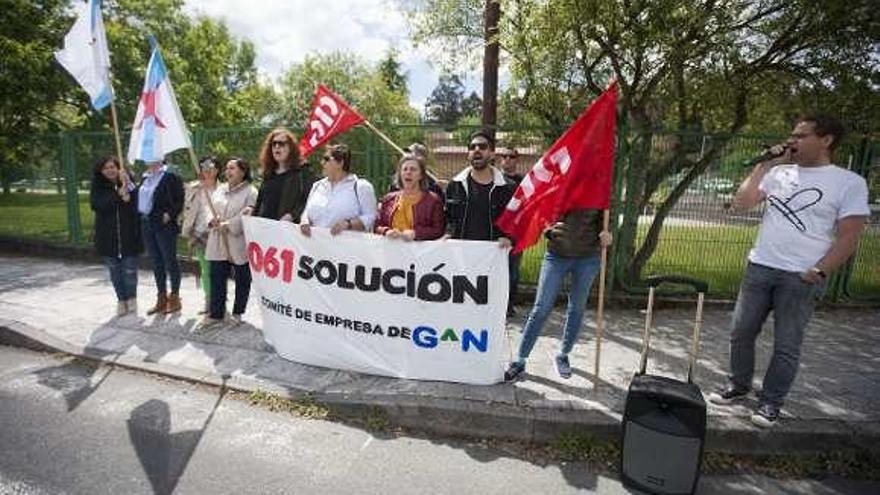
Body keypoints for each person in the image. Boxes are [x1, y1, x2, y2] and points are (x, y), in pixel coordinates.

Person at [708, 115, 870, 428]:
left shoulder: (848, 182)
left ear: (826, 140)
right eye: (792, 135)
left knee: (786, 343)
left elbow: (850, 235)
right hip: (760, 266)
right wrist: (764, 166)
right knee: (740, 332)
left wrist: (821, 270)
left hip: (800, 276)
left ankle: (770, 402)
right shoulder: (779, 173)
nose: (792, 141)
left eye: (801, 135)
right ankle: (738, 385)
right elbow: (742, 203)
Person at [504, 209, 613, 381]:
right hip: (556, 256)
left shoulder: (599, 186)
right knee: (541, 308)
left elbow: (606, 218)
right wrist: (548, 230)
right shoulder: (560, 184)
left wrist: (606, 233)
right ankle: (520, 360)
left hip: (588, 259)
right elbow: (544, 211)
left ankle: (563, 355)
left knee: (576, 308)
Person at [198, 158, 259, 331]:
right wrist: (211, 220)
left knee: (242, 278)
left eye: (232, 168)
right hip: (217, 239)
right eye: (227, 168)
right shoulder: (220, 189)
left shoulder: (251, 191)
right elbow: (208, 207)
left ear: (243, 171)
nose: (228, 171)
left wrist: (229, 224)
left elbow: (248, 213)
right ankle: (216, 314)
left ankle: (238, 313)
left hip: (237, 241)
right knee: (216, 276)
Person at [90, 156, 142, 316]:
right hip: (108, 237)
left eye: (112, 167)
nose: (110, 170)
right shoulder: (98, 187)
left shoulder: (127, 182)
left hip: (128, 236)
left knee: (130, 271)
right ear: (101, 171)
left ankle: (132, 298)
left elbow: (139, 201)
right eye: (106, 168)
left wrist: (129, 189)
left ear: (118, 168)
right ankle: (121, 300)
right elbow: (98, 205)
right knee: (115, 272)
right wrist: (117, 195)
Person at [445, 131, 516, 246]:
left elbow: (515, 221)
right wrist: (448, 233)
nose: (477, 150)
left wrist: (509, 238)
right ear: (468, 154)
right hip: (460, 255)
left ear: (492, 154)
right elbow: (447, 218)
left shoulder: (508, 188)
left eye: (482, 147)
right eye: (472, 147)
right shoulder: (454, 185)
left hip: (493, 256)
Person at [138, 158, 185, 315]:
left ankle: (175, 297)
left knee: (169, 260)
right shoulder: (145, 177)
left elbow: (179, 199)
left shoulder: (170, 175)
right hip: (147, 223)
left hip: (164, 224)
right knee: (156, 262)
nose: (149, 158)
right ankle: (161, 298)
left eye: (152, 154)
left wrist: (169, 215)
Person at [300, 144, 378, 236]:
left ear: (340, 162)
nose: (322, 163)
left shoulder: (361, 187)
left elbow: (371, 217)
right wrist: (304, 221)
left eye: (326, 159)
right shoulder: (317, 186)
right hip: (317, 246)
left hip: (348, 248)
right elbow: (307, 211)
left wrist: (348, 224)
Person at [249, 128, 314, 221]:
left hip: (288, 229)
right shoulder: (269, 173)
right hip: (263, 228)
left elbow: (309, 200)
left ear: (291, 148)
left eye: (281, 144)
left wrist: (292, 215)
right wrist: (252, 214)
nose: (276, 147)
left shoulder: (302, 171)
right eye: (273, 144)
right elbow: (260, 202)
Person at [375, 154, 445, 241]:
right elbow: (377, 226)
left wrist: (416, 233)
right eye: (405, 169)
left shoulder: (433, 201)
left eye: (413, 169)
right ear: (400, 174)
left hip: (420, 252)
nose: (408, 172)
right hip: (391, 250)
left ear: (421, 175)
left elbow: (439, 230)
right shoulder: (388, 199)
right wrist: (386, 231)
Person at [181, 156, 219, 314]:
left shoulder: (224, 189)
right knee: (205, 269)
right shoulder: (194, 188)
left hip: (217, 233)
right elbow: (186, 209)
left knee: (217, 270)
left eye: (211, 167)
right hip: (199, 233)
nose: (208, 171)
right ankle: (209, 301)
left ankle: (219, 300)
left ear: (217, 170)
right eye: (204, 167)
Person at [498, 146, 524, 316]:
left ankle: (508, 306)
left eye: (511, 156)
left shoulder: (524, 182)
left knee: (512, 273)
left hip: (515, 234)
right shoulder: (494, 178)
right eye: (504, 156)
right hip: (496, 233)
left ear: (517, 160)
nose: (507, 159)